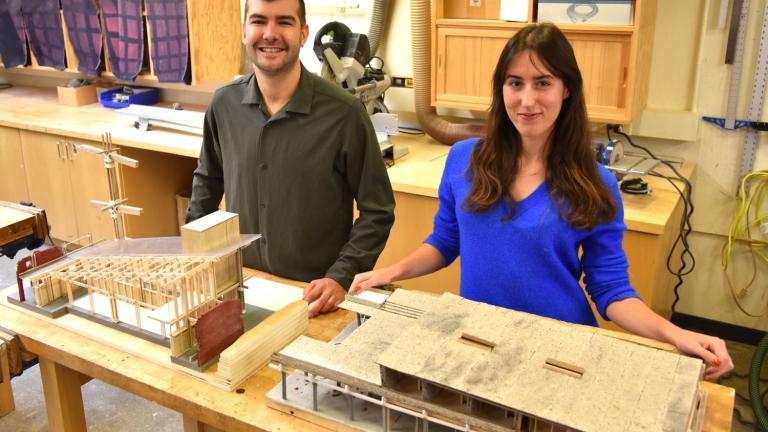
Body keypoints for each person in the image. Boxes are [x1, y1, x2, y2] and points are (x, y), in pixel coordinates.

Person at [351, 23, 733, 380]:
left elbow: (611, 290)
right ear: (501, 89)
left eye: (543, 82)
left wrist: (675, 334)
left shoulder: (594, 185)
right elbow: (446, 243)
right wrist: (391, 272)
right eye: (515, 83)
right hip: (479, 339)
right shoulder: (463, 159)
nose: (527, 100)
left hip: (560, 350)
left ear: (566, 89)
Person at [187, 0, 395, 318]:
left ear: (303, 33)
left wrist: (340, 276)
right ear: (244, 31)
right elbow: (207, 186)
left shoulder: (343, 114)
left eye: (284, 22)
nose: (270, 34)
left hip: (315, 297)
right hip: (243, 287)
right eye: (258, 21)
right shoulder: (223, 105)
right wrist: (194, 258)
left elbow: (377, 211)